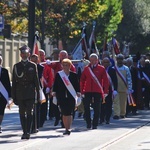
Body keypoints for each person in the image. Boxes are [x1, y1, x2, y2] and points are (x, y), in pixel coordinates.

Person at [11, 45, 40, 140]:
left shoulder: (32, 65)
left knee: (30, 112)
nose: (24, 55)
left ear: (29, 54)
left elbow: (36, 81)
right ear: (20, 55)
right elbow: (14, 82)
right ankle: (24, 131)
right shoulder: (16, 66)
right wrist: (13, 96)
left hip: (30, 92)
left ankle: (28, 131)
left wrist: (38, 94)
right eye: (23, 54)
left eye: (26, 54)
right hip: (20, 93)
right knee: (22, 113)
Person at [80, 53, 109, 129]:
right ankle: (88, 122)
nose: (92, 62)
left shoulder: (101, 68)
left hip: (97, 91)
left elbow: (106, 80)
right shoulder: (86, 69)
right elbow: (82, 80)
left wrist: (105, 91)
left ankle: (95, 123)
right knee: (86, 107)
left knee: (97, 108)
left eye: (94, 60)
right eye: (91, 60)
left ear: (97, 60)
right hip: (87, 90)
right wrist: (82, 91)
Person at [48, 50, 76, 127]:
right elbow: (51, 66)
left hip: (70, 90)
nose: (63, 57)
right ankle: (59, 118)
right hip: (60, 90)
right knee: (58, 106)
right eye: (61, 55)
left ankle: (67, 125)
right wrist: (48, 63)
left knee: (69, 109)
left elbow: (75, 80)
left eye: (64, 55)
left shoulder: (72, 67)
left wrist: (78, 92)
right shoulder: (57, 64)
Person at [53, 58, 80, 135]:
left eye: (67, 65)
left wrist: (78, 93)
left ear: (70, 66)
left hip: (71, 96)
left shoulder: (74, 75)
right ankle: (66, 128)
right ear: (62, 66)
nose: (65, 66)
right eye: (64, 65)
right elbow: (55, 85)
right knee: (64, 113)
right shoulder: (59, 74)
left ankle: (69, 128)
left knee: (70, 112)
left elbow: (76, 85)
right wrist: (54, 93)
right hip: (61, 96)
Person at [113, 54, 132, 119]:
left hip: (124, 88)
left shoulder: (126, 68)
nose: (120, 61)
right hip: (116, 88)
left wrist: (129, 88)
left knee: (123, 102)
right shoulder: (114, 68)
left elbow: (129, 79)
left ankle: (122, 113)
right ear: (117, 60)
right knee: (116, 102)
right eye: (118, 59)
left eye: (121, 59)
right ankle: (116, 114)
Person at [100, 57, 118, 124]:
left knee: (109, 105)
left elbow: (115, 80)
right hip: (101, 90)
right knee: (101, 105)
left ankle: (107, 119)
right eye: (105, 62)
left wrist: (115, 89)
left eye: (107, 62)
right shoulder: (100, 70)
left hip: (109, 90)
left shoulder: (112, 70)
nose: (106, 64)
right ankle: (101, 118)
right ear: (102, 63)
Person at [39, 49, 53, 127]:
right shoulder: (35, 63)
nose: (40, 56)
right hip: (37, 87)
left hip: (44, 87)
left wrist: (49, 87)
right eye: (39, 54)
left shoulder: (47, 64)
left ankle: (42, 120)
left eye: (42, 54)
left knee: (44, 104)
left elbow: (50, 77)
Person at [30, 54, 44, 133]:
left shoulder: (40, 67)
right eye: (32, 60)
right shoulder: (27, 67)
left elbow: (38, 77)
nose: (34, 62)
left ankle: (36, 125)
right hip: (29, 89)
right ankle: (30, 125)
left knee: (37, 108)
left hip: (37, 88)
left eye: (35, 60)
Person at [0, 55, 11, 133]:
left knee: (1, 111)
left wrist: (10, 96)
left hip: (3, 95)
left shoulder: (5, 71)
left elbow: (7, 83)